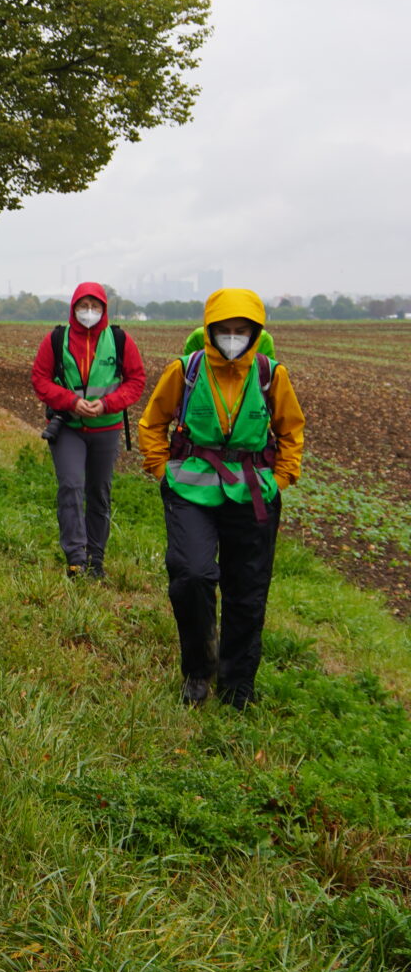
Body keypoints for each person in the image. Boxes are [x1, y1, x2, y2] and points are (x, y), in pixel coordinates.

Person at [138, 289, 305, 709]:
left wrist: (281, 478)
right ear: (210, 332)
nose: (233, 338)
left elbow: (291, 430)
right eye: (224, 330)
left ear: (255, 333)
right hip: (190, 491)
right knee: (192, 575)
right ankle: (198, 670)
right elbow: (152, 422)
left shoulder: (270, 374)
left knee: (247, 590)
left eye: (242, 330)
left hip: (253, 495)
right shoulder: (185, 371)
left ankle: (237, 688)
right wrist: (162, 470)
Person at [30, 283, 147, 580]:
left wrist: (107, 404)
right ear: (73, 308)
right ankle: (76, 558)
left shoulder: (119, 339)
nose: (89, 312)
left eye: (95, 307)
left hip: (106, 428)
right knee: (70, 486)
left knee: (99, 492)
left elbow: (136, 380)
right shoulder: (57, 339)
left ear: (104, 309)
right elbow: (40, 378)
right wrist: (70, 401)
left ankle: (96, 559)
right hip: (68, 426)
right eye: (84, 306)